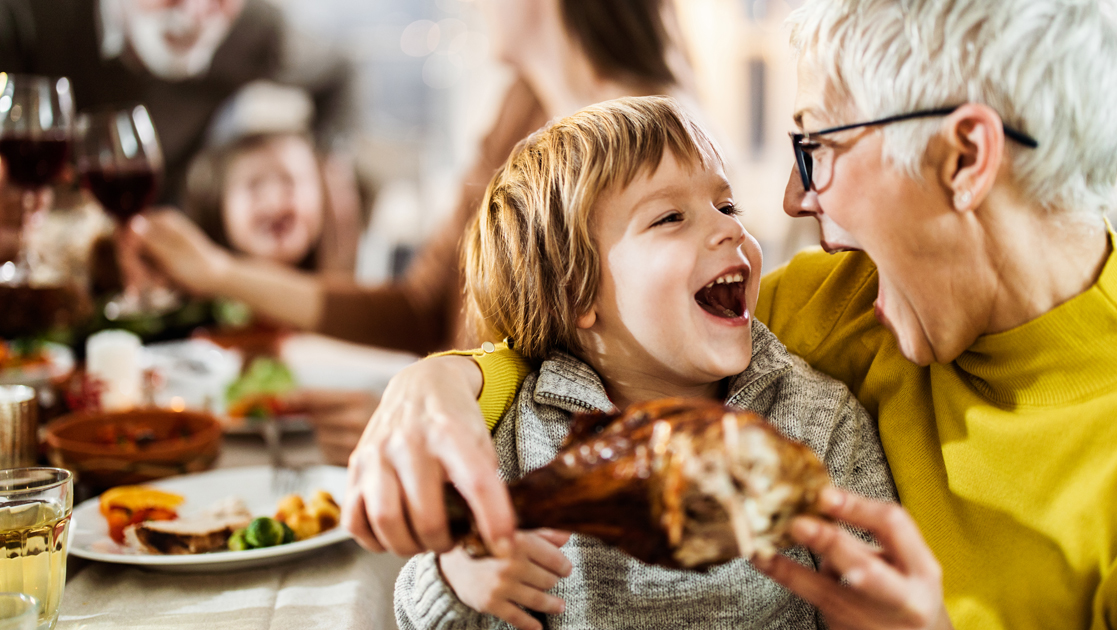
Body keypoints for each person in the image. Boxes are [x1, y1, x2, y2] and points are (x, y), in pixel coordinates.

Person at [343, 0, 1117, 629]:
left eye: (818, 148)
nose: (789, 202)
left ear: (965, 156)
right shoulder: (826, 306)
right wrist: (435, 389)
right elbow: (565, 350)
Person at [395, 95, 896, 630]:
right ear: (576, 295)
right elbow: (413, 607)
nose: (730, 229)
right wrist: (453, 577)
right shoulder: (513, 436)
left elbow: (875, 597)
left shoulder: (817, 421)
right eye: (671, 217)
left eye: (726, 207)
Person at [132, 0, 696, 464]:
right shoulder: (521, 104)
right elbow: (423, 306)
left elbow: (615, 401)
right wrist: (219, 273)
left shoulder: (653, 146)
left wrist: (433, 436)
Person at [0, 0, 355, 205]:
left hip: (159, 240)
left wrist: (326, 169)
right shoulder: (25, 14)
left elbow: (340, 73)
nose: (196, 12)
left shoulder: (254, 30)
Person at [184, 132, 358, 274]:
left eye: (289, 181)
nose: (273, 201)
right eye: (254, 186)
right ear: (219, 206)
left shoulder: (342, 298)